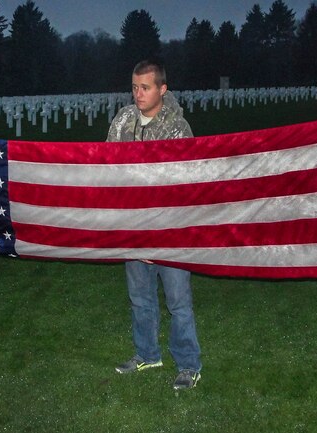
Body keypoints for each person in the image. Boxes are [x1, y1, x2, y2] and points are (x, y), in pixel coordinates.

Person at [106, 59, 202, 390]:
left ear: (162, 89)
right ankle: (147, 353)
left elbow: (179, 187)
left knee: (178, 301)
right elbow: (111, 171)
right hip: (132, 227)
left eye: (145, 87)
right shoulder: (122, 122)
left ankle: (188, 364)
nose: (138, 94)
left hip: (169, 229)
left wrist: (155, 237)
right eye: (134, 87)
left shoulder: (177, 128)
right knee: (140, 298)